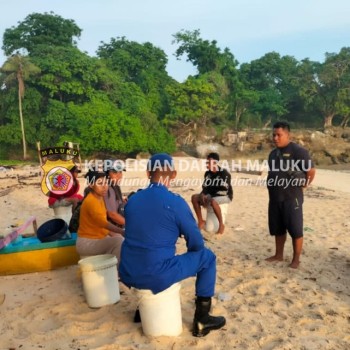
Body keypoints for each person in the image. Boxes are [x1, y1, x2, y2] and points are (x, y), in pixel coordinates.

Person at [119, 153, 226, 337]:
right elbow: (196, 243)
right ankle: (202, 319)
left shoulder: (133, 200)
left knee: (147, 252)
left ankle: (141, 310)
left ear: (147, 173)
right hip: (155, 274)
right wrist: (193, 256)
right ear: (174, 174)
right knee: (207, 258)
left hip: (128, 271)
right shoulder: (175, 202)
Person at [266, 121, 316, 269]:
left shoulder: (298, 151)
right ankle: (278, 255)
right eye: (274, 134)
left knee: (295, 229)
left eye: (279, 135)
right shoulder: (273, 154)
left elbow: (311, 171)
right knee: (278, 228)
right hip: (275, 197)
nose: (275, 138)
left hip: (291, 197)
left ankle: (296, 259)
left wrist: (305, 185)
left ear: (288, 135)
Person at [76, 170, 124, 265]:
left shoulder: (99, 197)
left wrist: (116, 233)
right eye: (100, 183)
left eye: (106, 183)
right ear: (91, 185)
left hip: (97, 238)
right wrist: (122, 231)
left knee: (119, 237)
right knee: (119, 241)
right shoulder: (91, 201)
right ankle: (115, 270)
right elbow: (103, 223)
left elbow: (101, 225)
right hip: (87, 243)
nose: (104, 187)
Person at [191, 152, 233, 234]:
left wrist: (209, 195)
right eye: (207, 162)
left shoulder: (224, 173)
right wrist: (203, 193)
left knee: (213, 201)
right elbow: (205, 187)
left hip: (225, 196)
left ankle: (221, 225)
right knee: (194, 197)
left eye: (208, 162)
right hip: (211, 195)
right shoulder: (207, 173)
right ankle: (200, 221)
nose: (207, 164)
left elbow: (223, 190)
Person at [104, 161, 126, 227]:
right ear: (107, 174)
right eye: (115, 172)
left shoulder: (115, 186)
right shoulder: (107, 189)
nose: (119, 175)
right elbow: (112, 214)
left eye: (120, 172)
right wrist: (131, 225)